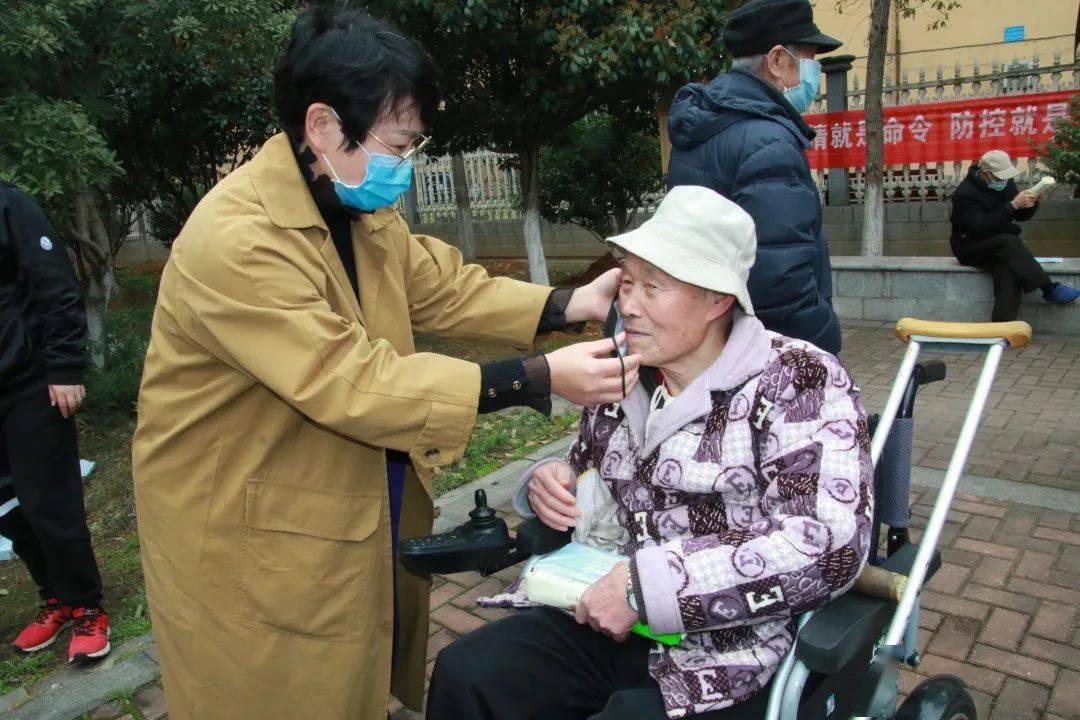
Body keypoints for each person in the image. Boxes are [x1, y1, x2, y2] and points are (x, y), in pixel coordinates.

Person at [131, 7, 640, 720]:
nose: (409, 162)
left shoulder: (351, 204)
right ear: (322, 126)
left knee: (343, 677)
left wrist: (567, 303)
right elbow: (352, 381)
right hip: (240, 518)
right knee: (267, 693)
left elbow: (440, 284)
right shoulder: (237, 241)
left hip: (321, 492)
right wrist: (536, 378)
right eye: (400, 142)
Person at [426, 186, 873, 720]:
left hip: (725, 649)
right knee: (467, 674)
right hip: (602, 613)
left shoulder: (798, 380)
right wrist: (553, 478)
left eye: (653, 288)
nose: (628, 307)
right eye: (628, 284)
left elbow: (829, 544)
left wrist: (647, 589)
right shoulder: (624, 371)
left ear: (717, 299)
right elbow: (585, 460)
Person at [666, 0, 843, 354]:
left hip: (712, 337)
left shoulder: (708, 122)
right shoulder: (768, 141)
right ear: (777, 60)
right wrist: (824, 338)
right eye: (808, 61)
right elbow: (780, 280)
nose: (812, 75)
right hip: (765, 348)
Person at [0, 180, 110, 662]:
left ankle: (87, 606)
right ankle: (56, 598)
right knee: (7, 507)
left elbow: (54, 285)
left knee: (50, 503)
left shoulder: (10, 205)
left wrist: (65, 366)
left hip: (28, 383)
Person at [950, 149, 1079, 321]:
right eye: (999, 177)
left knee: (1007, 269)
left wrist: (1031, 203)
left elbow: (1019, 215)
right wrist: (1011, 206)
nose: (1003, 181)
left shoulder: (1006, 183)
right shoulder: (964, 193)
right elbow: (979, 228)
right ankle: (1048, 288)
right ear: (985, 174)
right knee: (1007, 241)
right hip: (970, 247)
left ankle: (1002, 326)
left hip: (1000, 247)